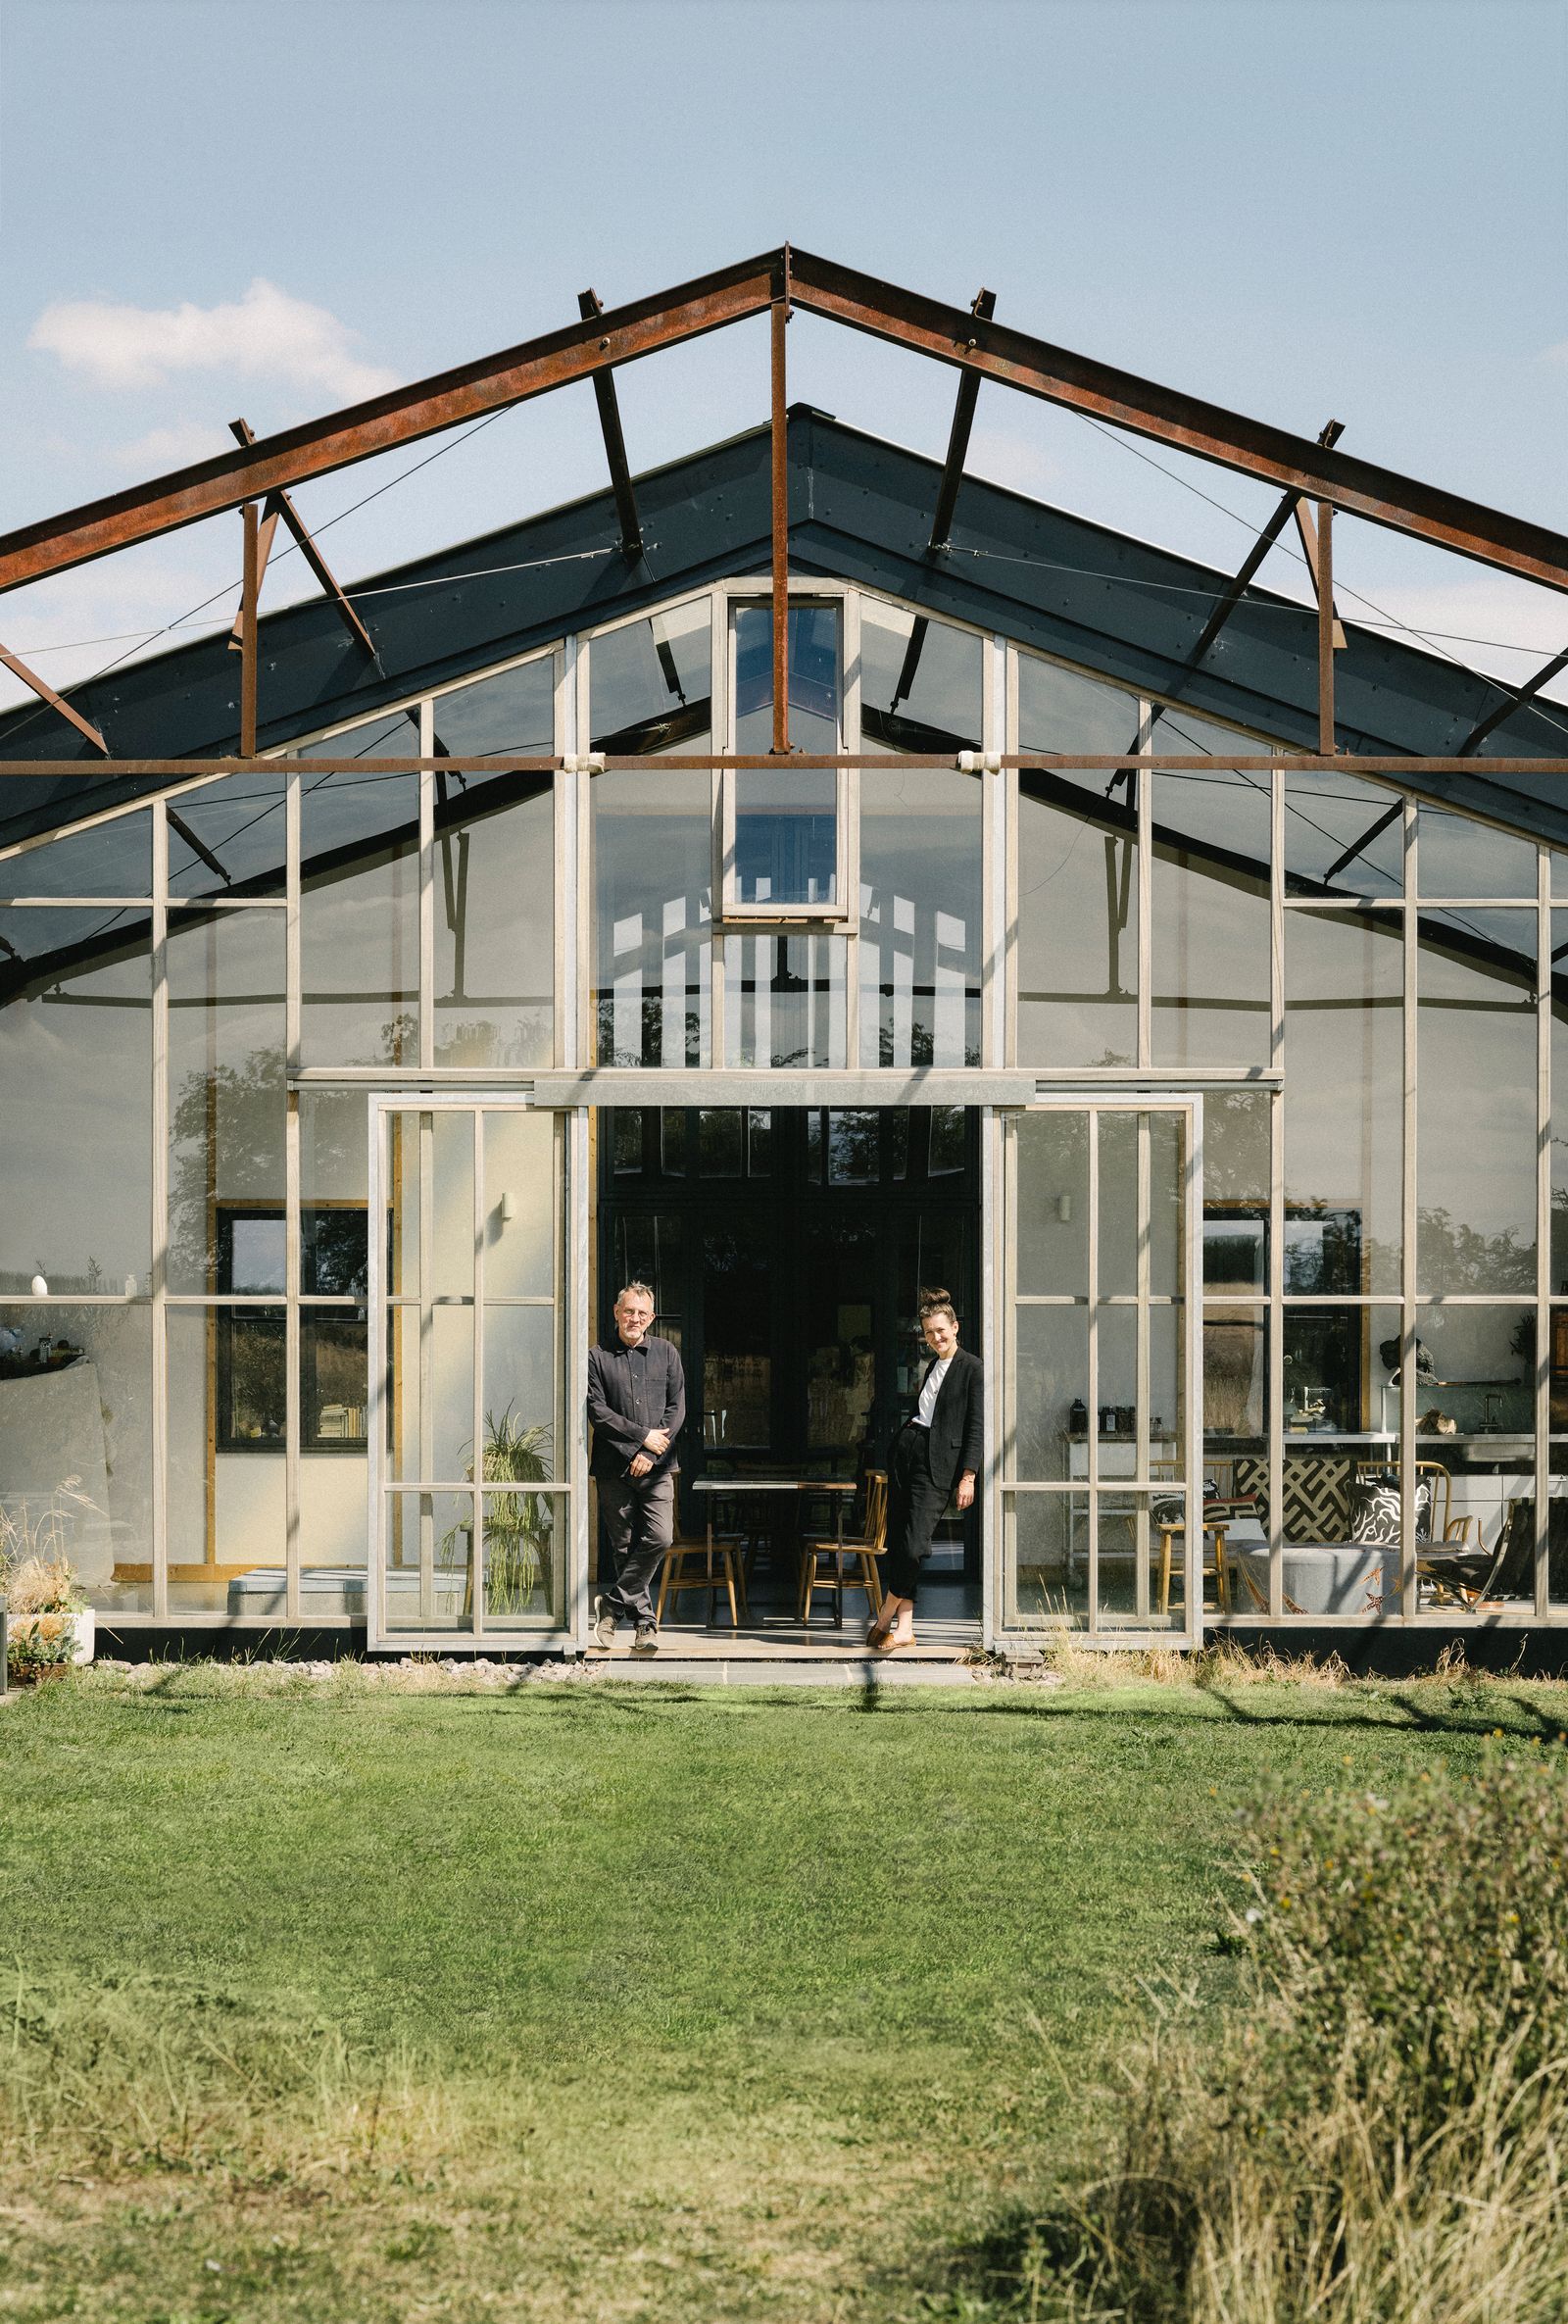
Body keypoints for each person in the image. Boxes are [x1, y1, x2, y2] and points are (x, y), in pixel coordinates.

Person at [871, 1288, 982, 1654]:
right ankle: (905, 1629)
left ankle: (885, 1615)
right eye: (929, 1332)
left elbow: (976, 1427)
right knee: (901, 1542)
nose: (935, 1338)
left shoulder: (973, 1368)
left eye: (940, 1330)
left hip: (939, 1464)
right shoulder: (933, 1365)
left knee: (916, 1545)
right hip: (909, 1452)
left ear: (955, 1327)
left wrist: (968, 1475)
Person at [587, 1281, 686, 1654]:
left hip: (658, 1469)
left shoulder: (666, 1352)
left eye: (642, 1313)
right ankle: (645, 1623)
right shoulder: (596, 1357)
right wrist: (641, 1439)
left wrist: (651, 1453)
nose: (635, 1318)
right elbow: (598, 1412)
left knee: (660, 1538)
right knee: (624, 1546)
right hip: (614, 1469)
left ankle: (611, 1606)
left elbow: (676, 1409)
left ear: (652, 1317)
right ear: (616, 1312)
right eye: (629, 1311)